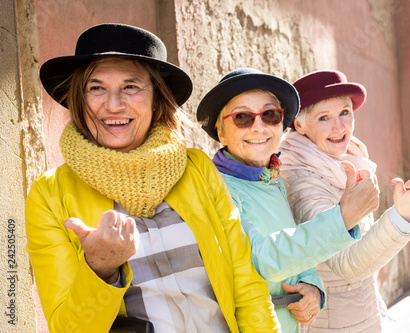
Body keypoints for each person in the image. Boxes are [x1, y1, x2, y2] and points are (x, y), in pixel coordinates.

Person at [25, 24, 280, 333]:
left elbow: (247, 286)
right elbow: (68, 327)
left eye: (131, 87)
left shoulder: (196, 169)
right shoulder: (50, 195)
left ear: (157, 99)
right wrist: (100, 269)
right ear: (78, 99)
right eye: (96, 88)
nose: (114, 104)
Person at [196, 68, 380, 332]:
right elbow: (262, 259)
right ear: (221, 132)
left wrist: (313, 288)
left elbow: (292, 243)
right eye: (243, 117)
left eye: (269, 115)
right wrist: (343, 218)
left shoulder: (274, 180)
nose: (258, 126)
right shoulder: (219, 188)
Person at [279, 70, 410, 332]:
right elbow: (345, 265)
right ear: (300, 125)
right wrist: (402, 218)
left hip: (362, 314)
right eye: (323, 117)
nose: (339, 127)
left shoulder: (347, 160)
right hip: (334, 324)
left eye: (344, 112)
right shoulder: (303, 181)